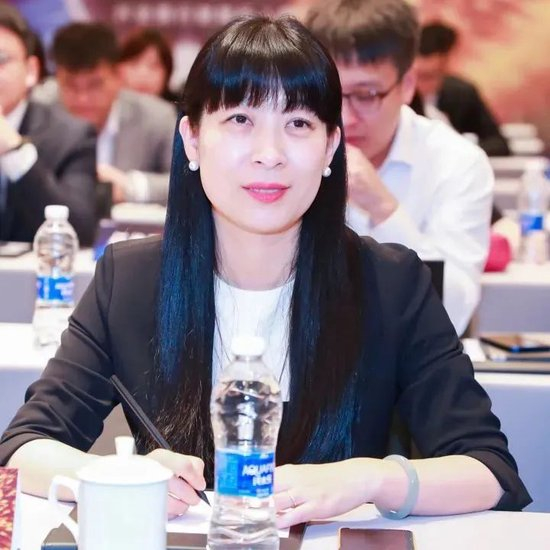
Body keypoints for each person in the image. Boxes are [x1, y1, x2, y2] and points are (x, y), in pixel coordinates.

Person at [0, 15, 530, 527]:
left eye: (298, 124)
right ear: (191, 138)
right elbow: (22, 448)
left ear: (331, 146)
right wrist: (122, 477)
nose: (269, 154)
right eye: (240, 120)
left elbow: (491, 471)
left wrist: (369, 479)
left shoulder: (391, 283)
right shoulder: (130, 280)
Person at [306, 0, 494, 336]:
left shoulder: (457, 162)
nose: (346, 116)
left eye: (366, 95)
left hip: (410, 358)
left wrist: (382, 207)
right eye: (332, 94)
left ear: (407, 85)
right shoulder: (292, 149)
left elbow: (453, 312)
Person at [46, 22, 176, 205]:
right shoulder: (41, 110)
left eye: (94, 85)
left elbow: (188, 182)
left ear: (118, 77)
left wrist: (130, 187)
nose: (83, 98)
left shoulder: (157, 117)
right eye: (71, 85)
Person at [0, 2, 97, 245]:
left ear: (31, 71)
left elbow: (81, 232)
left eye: (1, 60)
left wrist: (14, 151)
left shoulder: (71, 136)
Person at [415, 21, 510, 157]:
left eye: (430, 76)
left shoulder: (462, 94)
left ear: (445, 67)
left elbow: (498, 144)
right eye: (417, 76)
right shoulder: (398, 97)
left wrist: (461, 148)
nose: (421, 84)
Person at [118, 27, 177, 103]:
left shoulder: (179, 108)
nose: (143, 74)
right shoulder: (108, 107)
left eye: (154, 66)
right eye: (134, 64)